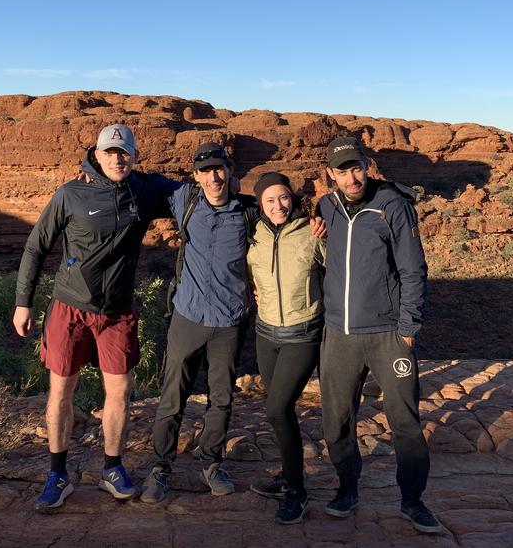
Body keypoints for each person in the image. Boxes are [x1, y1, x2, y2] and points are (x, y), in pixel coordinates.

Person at [12, 123, 176, 511]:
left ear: (134, 155)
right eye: (110, 152)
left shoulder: (146, 190)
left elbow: (198, 196)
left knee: (119, 391)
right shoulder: (70, 193)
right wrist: (23, 302)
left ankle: (112, 470)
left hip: (117, 312)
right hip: (69, 308)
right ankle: (57, 474)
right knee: (61, 391)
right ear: (97, 155)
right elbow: (37, 247)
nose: (118, 158)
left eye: (125, 152)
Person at [315, 135, 443, 534]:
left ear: (368, 165)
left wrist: (408, 327)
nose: (352, 177)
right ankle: (347, 487)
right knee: (337, 418)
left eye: (357, 167)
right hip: (339, 332)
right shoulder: (325, 207)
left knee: (403, 419)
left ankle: (412, 500)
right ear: (330, 175)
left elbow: (413, 269)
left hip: (388, 333)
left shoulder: (392, 206)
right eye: (342, 171)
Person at [140, 142, 259, 503]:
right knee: (172, 398)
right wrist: (91, 170)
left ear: (230, 171)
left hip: (229, 321)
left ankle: (211, 462)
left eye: (219, 168)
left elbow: (288, 217)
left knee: (221, 398)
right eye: (205, 171)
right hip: (187, 316)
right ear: (195, 176)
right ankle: (160, 469)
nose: (214, 176)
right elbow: (137, 179)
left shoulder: (249, 212)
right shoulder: (184, 200)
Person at [246, 172, 325, 525]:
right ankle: (287, 476)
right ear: (260, 204)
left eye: (283, 198)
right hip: (265, 332)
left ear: (292, 197)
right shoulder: (255, 233)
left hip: (303, 331)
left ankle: (297, 490)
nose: (278, 206)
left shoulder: (313, 231)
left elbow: (340, 271)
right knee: (279, 409)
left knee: (278, 408)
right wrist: (255, 290)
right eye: (269, 200)